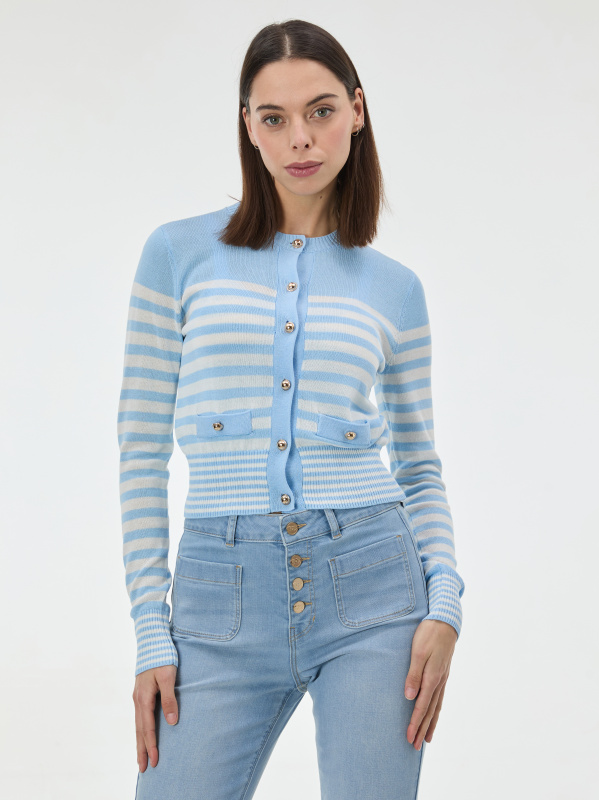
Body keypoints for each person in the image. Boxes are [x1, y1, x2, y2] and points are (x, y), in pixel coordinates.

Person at [117, 18, 465, 800]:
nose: (299, 138)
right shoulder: (177, 254)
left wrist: (444, 603)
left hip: (374, 590)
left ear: (356, 110)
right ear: (248, 125)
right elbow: (139, 449)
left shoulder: (395, 289)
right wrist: (149, 631)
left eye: (320, 111)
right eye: (273, 118)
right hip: (218, 600)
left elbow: (417, 463)